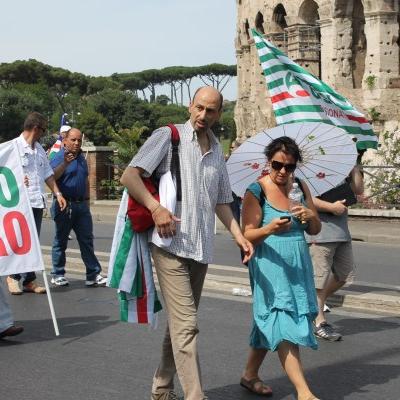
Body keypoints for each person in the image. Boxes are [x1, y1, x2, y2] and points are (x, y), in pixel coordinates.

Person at [120, 86, 253, 400]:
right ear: (190, 106)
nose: (203, 116)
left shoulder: (217, 149)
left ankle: (162, 387)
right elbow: (129, 176)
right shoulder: (169, 137)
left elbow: (222, 200)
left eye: (211, 111)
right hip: (169, 245)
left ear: (220, 113)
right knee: (187, 323)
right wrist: (156, 208)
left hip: (201, 247)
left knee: (181, 324)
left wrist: (238, 235)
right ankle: (196, 395)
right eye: (199, 108)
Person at [240, 137, 321, 400]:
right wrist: (270, 228)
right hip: (269, 262)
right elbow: (247, 235)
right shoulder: (256, 191)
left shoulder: (300, 187)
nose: (283, 172)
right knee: (283, 321)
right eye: (277, 165)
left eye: (289, 166)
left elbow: (316, 229)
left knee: (269, 321)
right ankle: (304, 391)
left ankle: (250, 375)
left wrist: (311, 217)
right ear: (268, 162)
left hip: (297, 263)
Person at [7, 112, 67, 295]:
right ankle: (13, 277)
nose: (43, 133)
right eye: (43, 130)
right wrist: (17, 181)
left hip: (36, 201)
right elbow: (5, 174)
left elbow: (48, 174)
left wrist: (57, 193)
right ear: (35, 128)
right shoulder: (13, 147)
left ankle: (29, 280)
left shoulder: (39, 149)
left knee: (33, 242)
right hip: (19, 203)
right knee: (19, 240)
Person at [307, 164, 364, 341]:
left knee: (345, 275)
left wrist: (354, 168)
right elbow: (306, 198)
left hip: (341, 231)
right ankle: (319, 322)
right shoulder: (309, 167)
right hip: (319, 232)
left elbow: (359, 189)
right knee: (319, 280)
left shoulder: (341, 165)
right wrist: (331, 207)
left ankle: (314, 305)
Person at [49, 128, 107, 287]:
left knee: (87, 240)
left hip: (81, 206)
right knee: (61, 240)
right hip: (64, 205)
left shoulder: (81, 157)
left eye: (79, 140)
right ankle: (57, 273)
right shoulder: (59, 156)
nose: (76, 143)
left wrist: (87, 203)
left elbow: (86, 180)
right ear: (65, 140)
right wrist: (65, 163)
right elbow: (51, 177)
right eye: (73, 140)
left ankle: (93, 274)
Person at [228, 140, 242, 224]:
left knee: (235, 209)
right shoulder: (231, 158)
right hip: (231, 187)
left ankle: (236, 228)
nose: (231, 149)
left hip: (236, 187)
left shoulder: (238, 159)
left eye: (232, 147)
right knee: (234, 208)